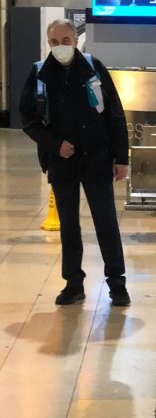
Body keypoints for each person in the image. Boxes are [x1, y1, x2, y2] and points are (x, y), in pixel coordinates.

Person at [19, 18, 131, 307]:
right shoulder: (39, 74)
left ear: (75, 40)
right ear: (48, 43)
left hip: (97, 158)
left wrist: (121, 158)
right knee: (68, 223)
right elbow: (29, 118)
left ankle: (117, 283)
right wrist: (55, 145)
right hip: (62, 162)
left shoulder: (93, 68)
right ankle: (73, 282)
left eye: (65, 41)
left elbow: (115, 114)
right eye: (54, 43)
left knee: (105, 220)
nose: (60, 47)